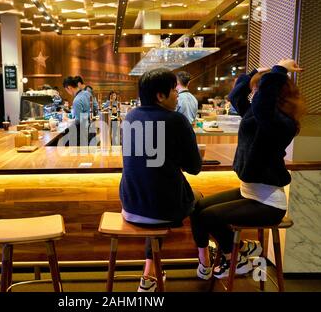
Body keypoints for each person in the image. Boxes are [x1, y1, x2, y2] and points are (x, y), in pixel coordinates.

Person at [190, 59, 306, 280]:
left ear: (274, 92)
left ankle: (236, 259)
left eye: (258, 90)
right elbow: (235, 98)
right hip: (249, 192)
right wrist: (254, 73)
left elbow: (263, 107)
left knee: (209, 217)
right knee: (197, 208)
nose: (254, 94)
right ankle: (239, 249)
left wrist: (279, 71)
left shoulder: (281, 122)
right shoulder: (257, 115)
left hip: (268, 203)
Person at [119, 68, 202, 291]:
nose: (178, 95)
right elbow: (195, 168)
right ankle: (206, 262)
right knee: (199, 201)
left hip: (130, 205)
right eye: (174, 91)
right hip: (161, 209)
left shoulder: (130, 116)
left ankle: (150, 273)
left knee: (156, 197)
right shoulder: (177, 121)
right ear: (160, 96)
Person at [62, 76, 91, 145]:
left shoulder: (76, 100)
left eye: (67, 90)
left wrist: (67, 119)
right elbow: (95, 108)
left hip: (81, 133)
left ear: (69, 88)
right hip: (90, 129)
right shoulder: (88, 93)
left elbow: (78, 121)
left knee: (64, 142)